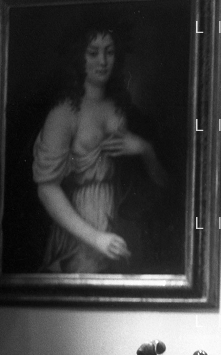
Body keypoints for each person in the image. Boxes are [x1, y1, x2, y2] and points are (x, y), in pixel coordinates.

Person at [32, 25, 167, 273]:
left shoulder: (124, 109)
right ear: (79, 56)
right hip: (80, 233)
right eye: (93, 53)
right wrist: (96, 238)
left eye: (109, 52)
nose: (103, 61)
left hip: (121, 225)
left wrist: (144, 148)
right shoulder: (63, 113)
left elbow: (164, 182)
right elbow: (46, 189)